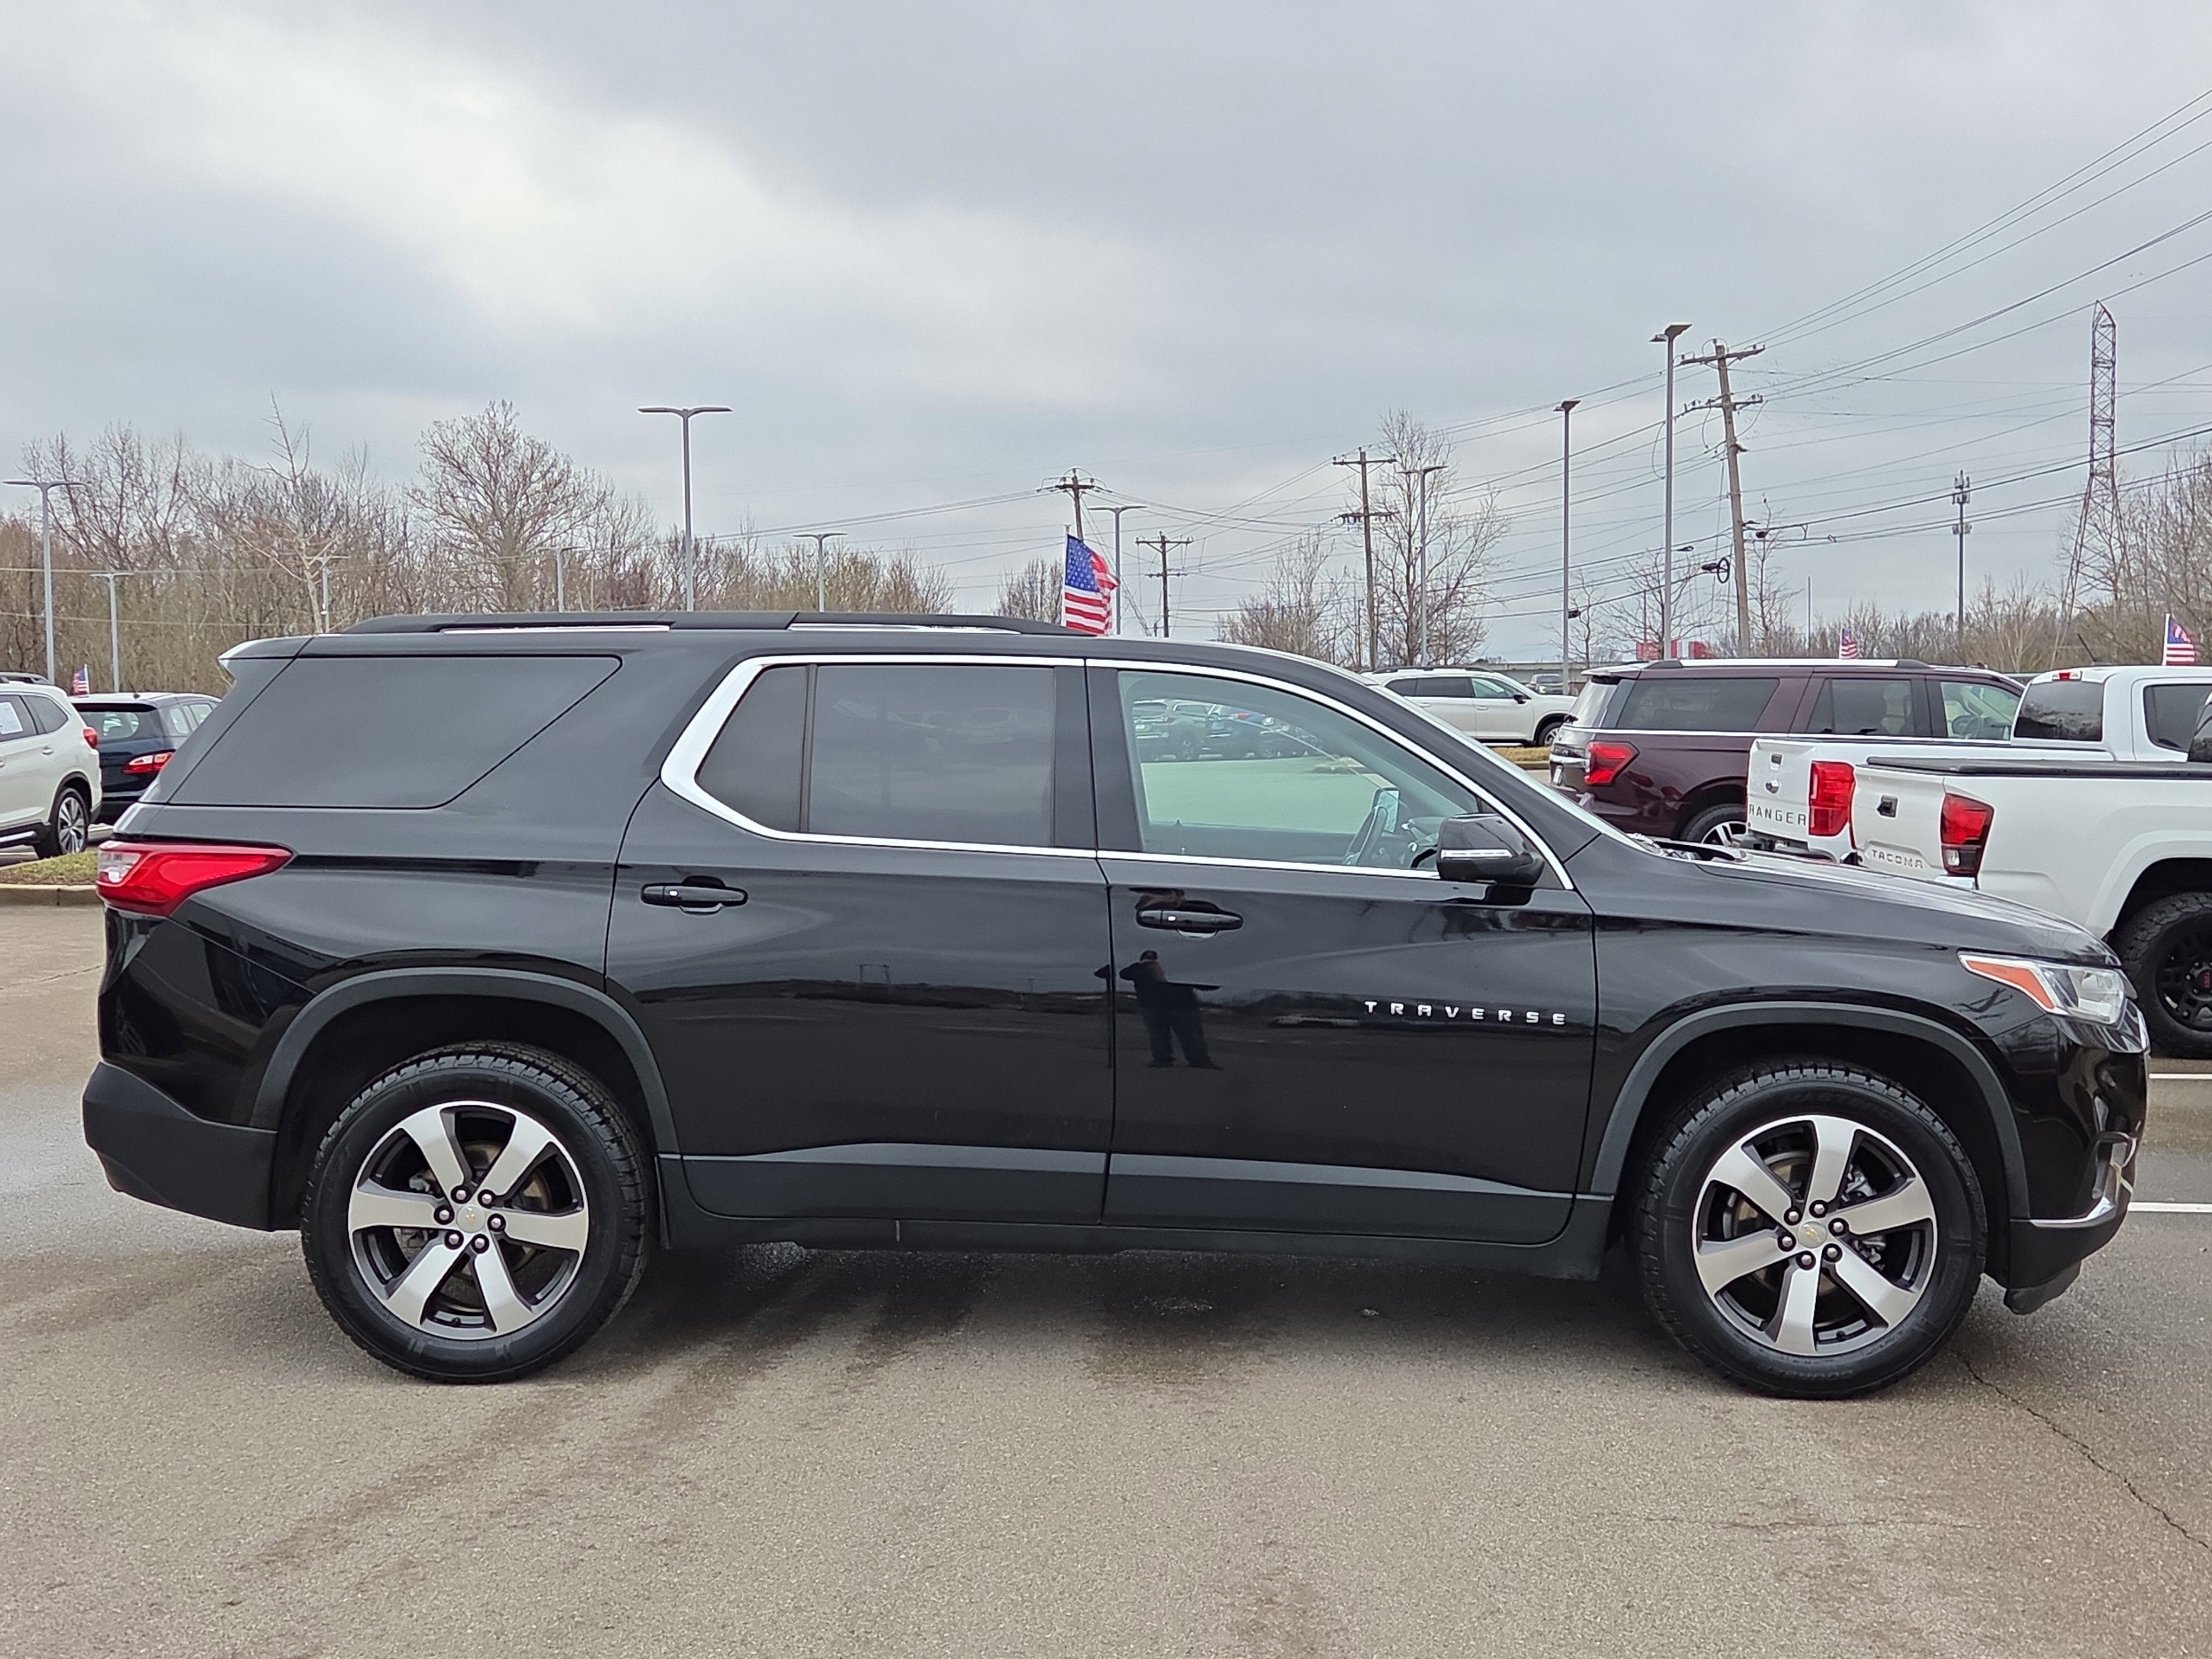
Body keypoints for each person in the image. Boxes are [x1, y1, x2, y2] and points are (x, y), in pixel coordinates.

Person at [1119, 949, 1216, 1068]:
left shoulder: (1177, 969)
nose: (1151, 962)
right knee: (1158, 1035)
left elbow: (1198, 980)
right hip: (1153, 1008)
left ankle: (1200, 1060)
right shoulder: (1139, 970)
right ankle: (1162, 1059)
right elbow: (1124, 974)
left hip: (1181, 1007)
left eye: (1153, 959)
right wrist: (1139, 965)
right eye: (1148, 959)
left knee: (1190, 1035)